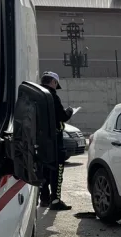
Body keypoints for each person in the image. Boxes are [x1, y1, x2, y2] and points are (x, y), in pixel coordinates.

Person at [39, 71, 73, 210]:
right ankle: (55, 200)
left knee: (44, 169)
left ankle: (44, 199)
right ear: (53, 82)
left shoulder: (37, 96)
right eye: (56, 83)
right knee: (57, 170)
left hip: (41, 140)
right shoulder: (52, 96)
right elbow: (63, 117)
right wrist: (70, 111)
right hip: (55, 141)